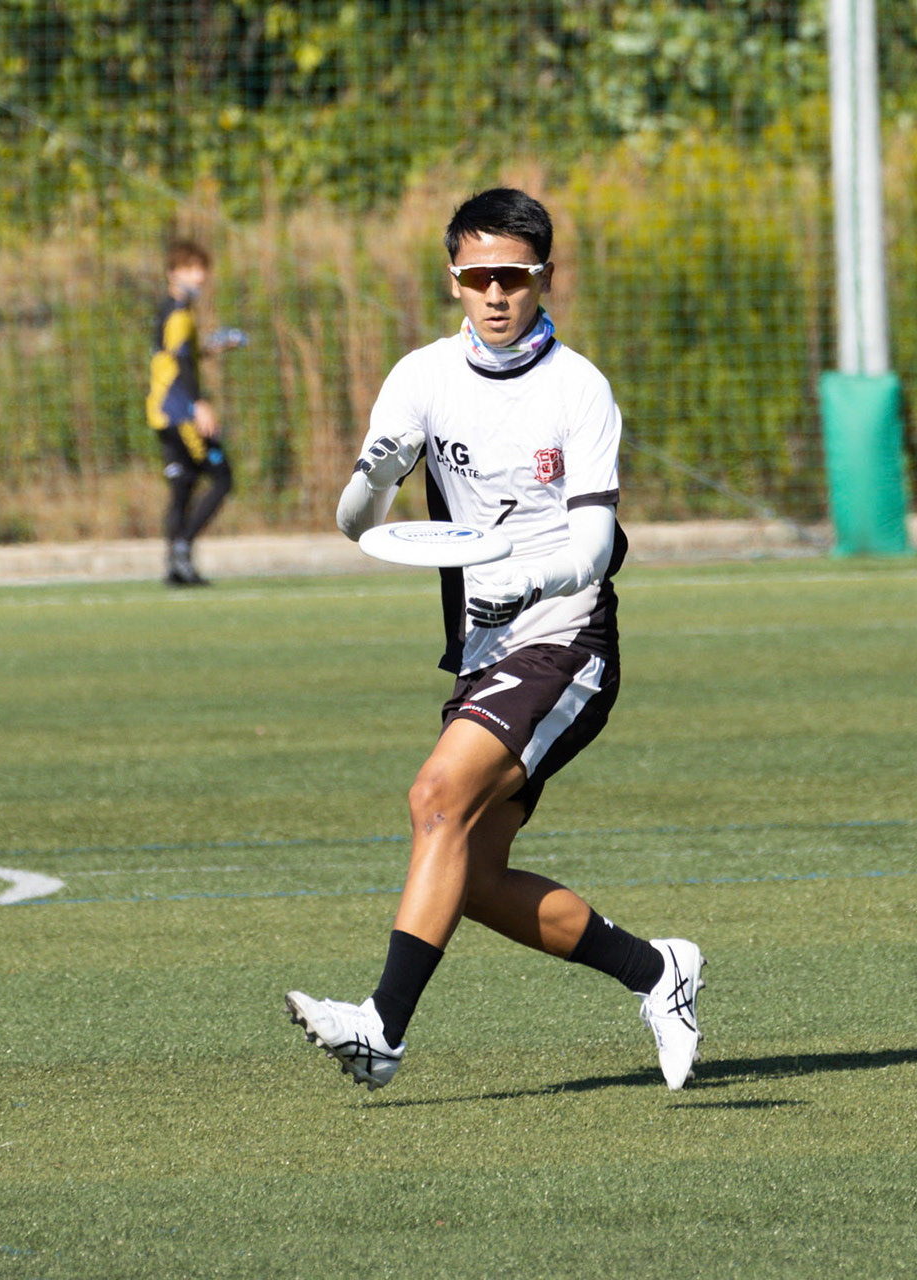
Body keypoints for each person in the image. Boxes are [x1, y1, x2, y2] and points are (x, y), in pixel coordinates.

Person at [284, 188, 704, 1092]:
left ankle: (381, 1030)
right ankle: (658, 970)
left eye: (513, 276)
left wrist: (530, 581)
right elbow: (357, 523)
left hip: (568, 639)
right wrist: (376, 475)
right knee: (468, 877)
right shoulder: (421, 378)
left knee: (435, 797)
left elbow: (594, 547)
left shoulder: (579, 389)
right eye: (478, 277)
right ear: (454, 280)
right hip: (484, 653)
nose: (496, 294)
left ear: (544, 277)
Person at [147, 239, 245, 586]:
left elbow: (174, 354)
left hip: (163, 412)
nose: (199, 276)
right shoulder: (178, 313)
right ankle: (182, 548)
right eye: (190, 269)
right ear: (172, 273)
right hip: (179, 413)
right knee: (222, 477)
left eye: (202, 269)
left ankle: (176, 567)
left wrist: (210, 347)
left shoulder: (172, 309)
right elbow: (180, 361)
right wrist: (199, 404)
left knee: (183, 486)